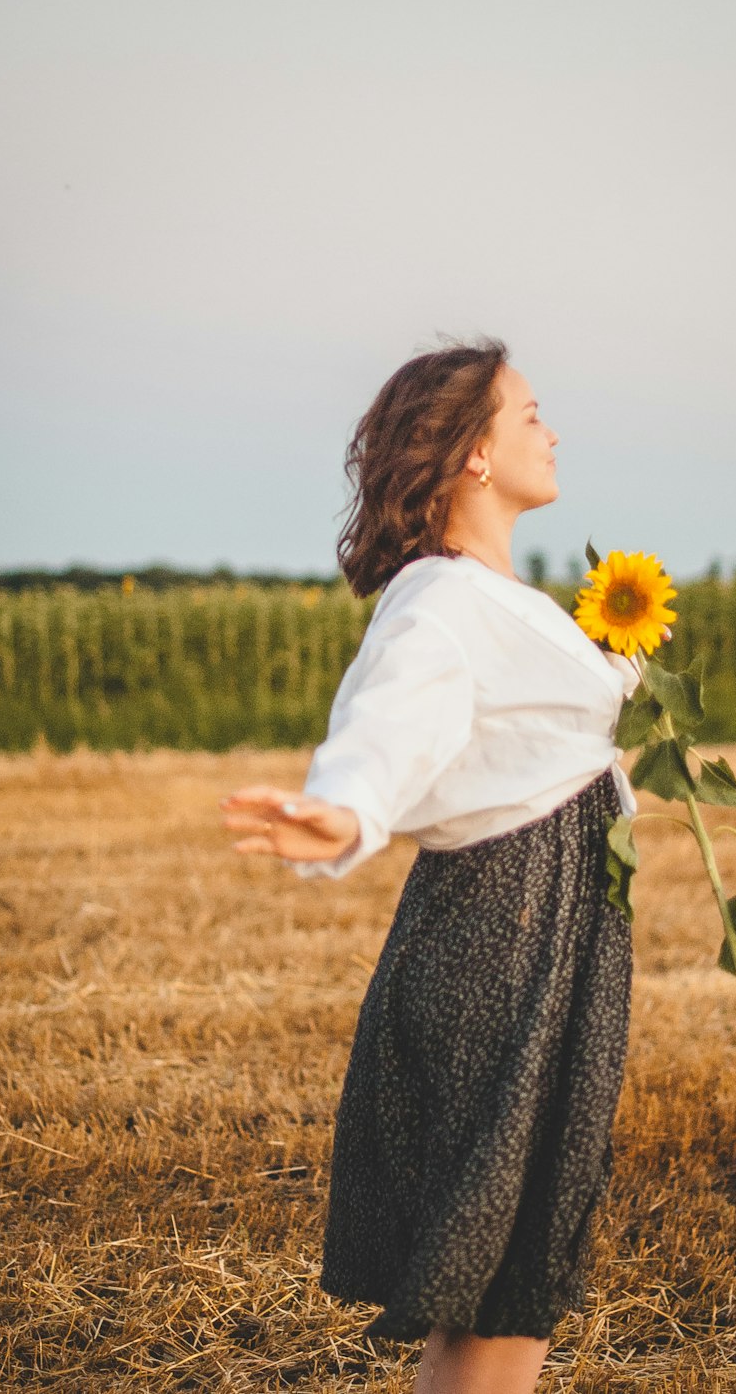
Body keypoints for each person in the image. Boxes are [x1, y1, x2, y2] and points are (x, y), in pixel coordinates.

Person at [220, 338, 640, 1394]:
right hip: (502, 945)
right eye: (532, 411)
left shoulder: (504, 597)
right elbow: (389, 721)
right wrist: (344, 809)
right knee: (500, 1304)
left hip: (551, 938)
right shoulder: (438, 603)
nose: (553, 429)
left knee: (511, 1301)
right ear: (476, 457)